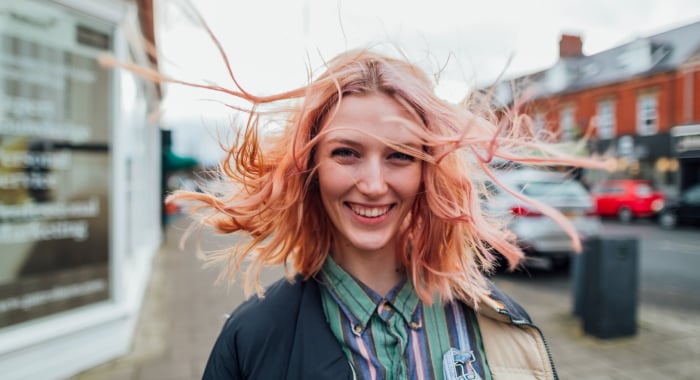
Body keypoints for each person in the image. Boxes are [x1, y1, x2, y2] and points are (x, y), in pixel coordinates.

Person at [153, 44, 609, 379]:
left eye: (399, 156)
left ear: (427, 171)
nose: (373, 185)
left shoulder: (502, 326)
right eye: (347, 153)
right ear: (311, 168)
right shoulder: (251, 339)